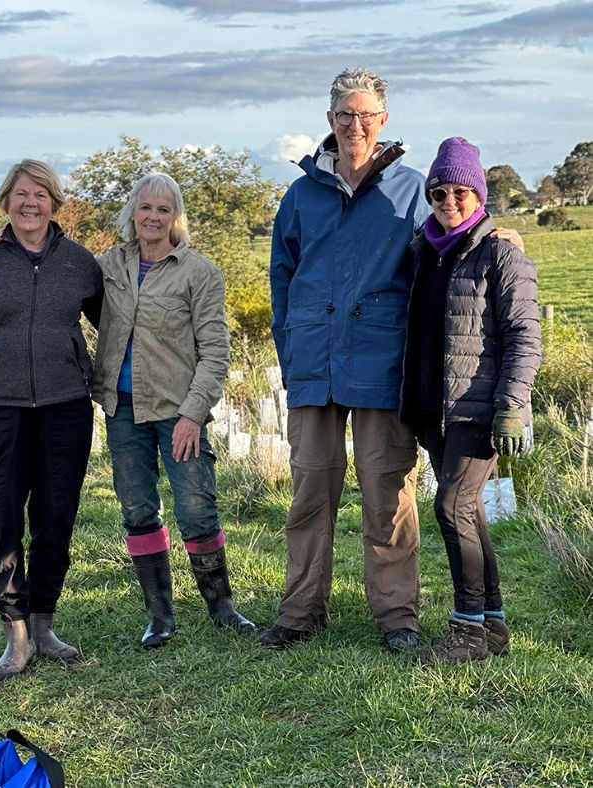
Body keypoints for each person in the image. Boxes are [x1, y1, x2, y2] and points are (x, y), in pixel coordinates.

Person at [264, 68, 429, 653]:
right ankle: (301, 611)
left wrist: (500, 235)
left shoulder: (411, 190)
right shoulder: (302, 193)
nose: (354, 125)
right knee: (310, 492)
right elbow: (281, 279)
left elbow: (450, 248)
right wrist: (291, 352)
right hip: (314, 362)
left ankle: (397, 617)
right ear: (329, 121)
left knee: (388, 492)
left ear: (383, 120)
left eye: (365, 115)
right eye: (343, 115)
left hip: (384, 365)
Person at [0, 159, 103, 680]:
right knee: (1, 522)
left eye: (40, 193)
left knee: (56, 519)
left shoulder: (82, 265)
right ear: (6, 202)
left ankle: (43, 624)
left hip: (66, 412)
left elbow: (117, 331)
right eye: (20, 194)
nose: (30, 202)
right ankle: (15, 632)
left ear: (55, 201)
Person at [92, 172, 255, 648]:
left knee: (196, 507)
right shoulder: (108, 267)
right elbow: (58, 268)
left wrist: (193, 414)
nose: (153, 217)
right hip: (122, 409)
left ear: (176, 217)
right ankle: (159, 616)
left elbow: (216, 352)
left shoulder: (199, 273)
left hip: (179, 410)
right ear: (132, 213)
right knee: (138, 508)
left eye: (164, 209)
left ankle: (222, 607)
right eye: (146, 207)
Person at [402, 137, 541, 662]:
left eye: (461, 191)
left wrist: (512, 404)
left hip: (480, 408)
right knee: (468, 513)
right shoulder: (423, 251)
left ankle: (466, 630)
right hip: (433, 405)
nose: (449, 201)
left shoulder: (502, 254)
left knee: (452, 506)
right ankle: (493, 625)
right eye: (439, 192)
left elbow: (526, 337)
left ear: (479, 194)